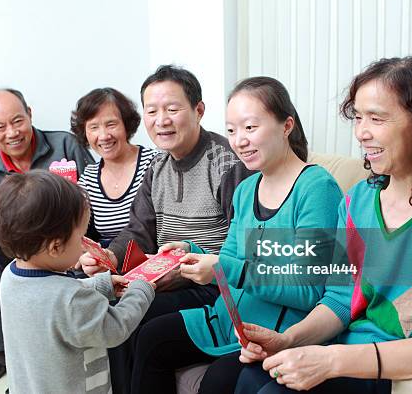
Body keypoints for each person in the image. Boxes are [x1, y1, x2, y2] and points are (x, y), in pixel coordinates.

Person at [234, 56, 412, 394]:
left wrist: (331, 362)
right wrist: (287, 340)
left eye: (376, 118)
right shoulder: (356, 201)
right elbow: (342, 300)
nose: (361, 132)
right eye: (358, 118)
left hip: (391, 367)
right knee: (248, 377)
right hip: (345, 352)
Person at [130, 77, 343, 393]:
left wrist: (222, 268)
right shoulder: (246, 190)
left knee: (219, 379)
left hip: (275, 332)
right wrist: (191, 251)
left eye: (250, 128)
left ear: (286, 125)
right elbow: (230, 259)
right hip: (228, 320)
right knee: (150, 337)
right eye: (231, 130)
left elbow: (308, 289)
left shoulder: (316, 188)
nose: (239, 140)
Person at [79, 65, 254, 394]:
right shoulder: (157, 166)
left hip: (211, 282)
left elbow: (241, 245)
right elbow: (138, 230)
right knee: (109, 302)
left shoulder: (227, 163)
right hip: (165, 277)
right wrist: (109, 256)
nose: (162, 120)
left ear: (198, 110)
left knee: (131, 314)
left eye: (172, 109)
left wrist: (190, 267)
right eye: (152, 111)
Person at [0, 88, 94, 389]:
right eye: (0, 127)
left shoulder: (65, 144)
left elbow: (94, 195)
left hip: (67, 244)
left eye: (18, 121)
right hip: (24, 253)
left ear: (30, 114)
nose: (12, 132)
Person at [0, 170, 155, 394]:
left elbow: (49, 304)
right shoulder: (70, 299)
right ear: (55, 247)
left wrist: (101, 285)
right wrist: (141, 288)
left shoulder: (10, 275)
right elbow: (114, 327)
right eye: (80, 238)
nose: (84, 245)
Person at [71, 87, 158, 247]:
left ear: (126, 124)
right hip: (108, 264)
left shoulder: (153, 163)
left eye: (111, 124)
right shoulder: (89, 177)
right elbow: (77, 231)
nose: (104, 136)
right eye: (94, 127)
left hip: (150, 259)